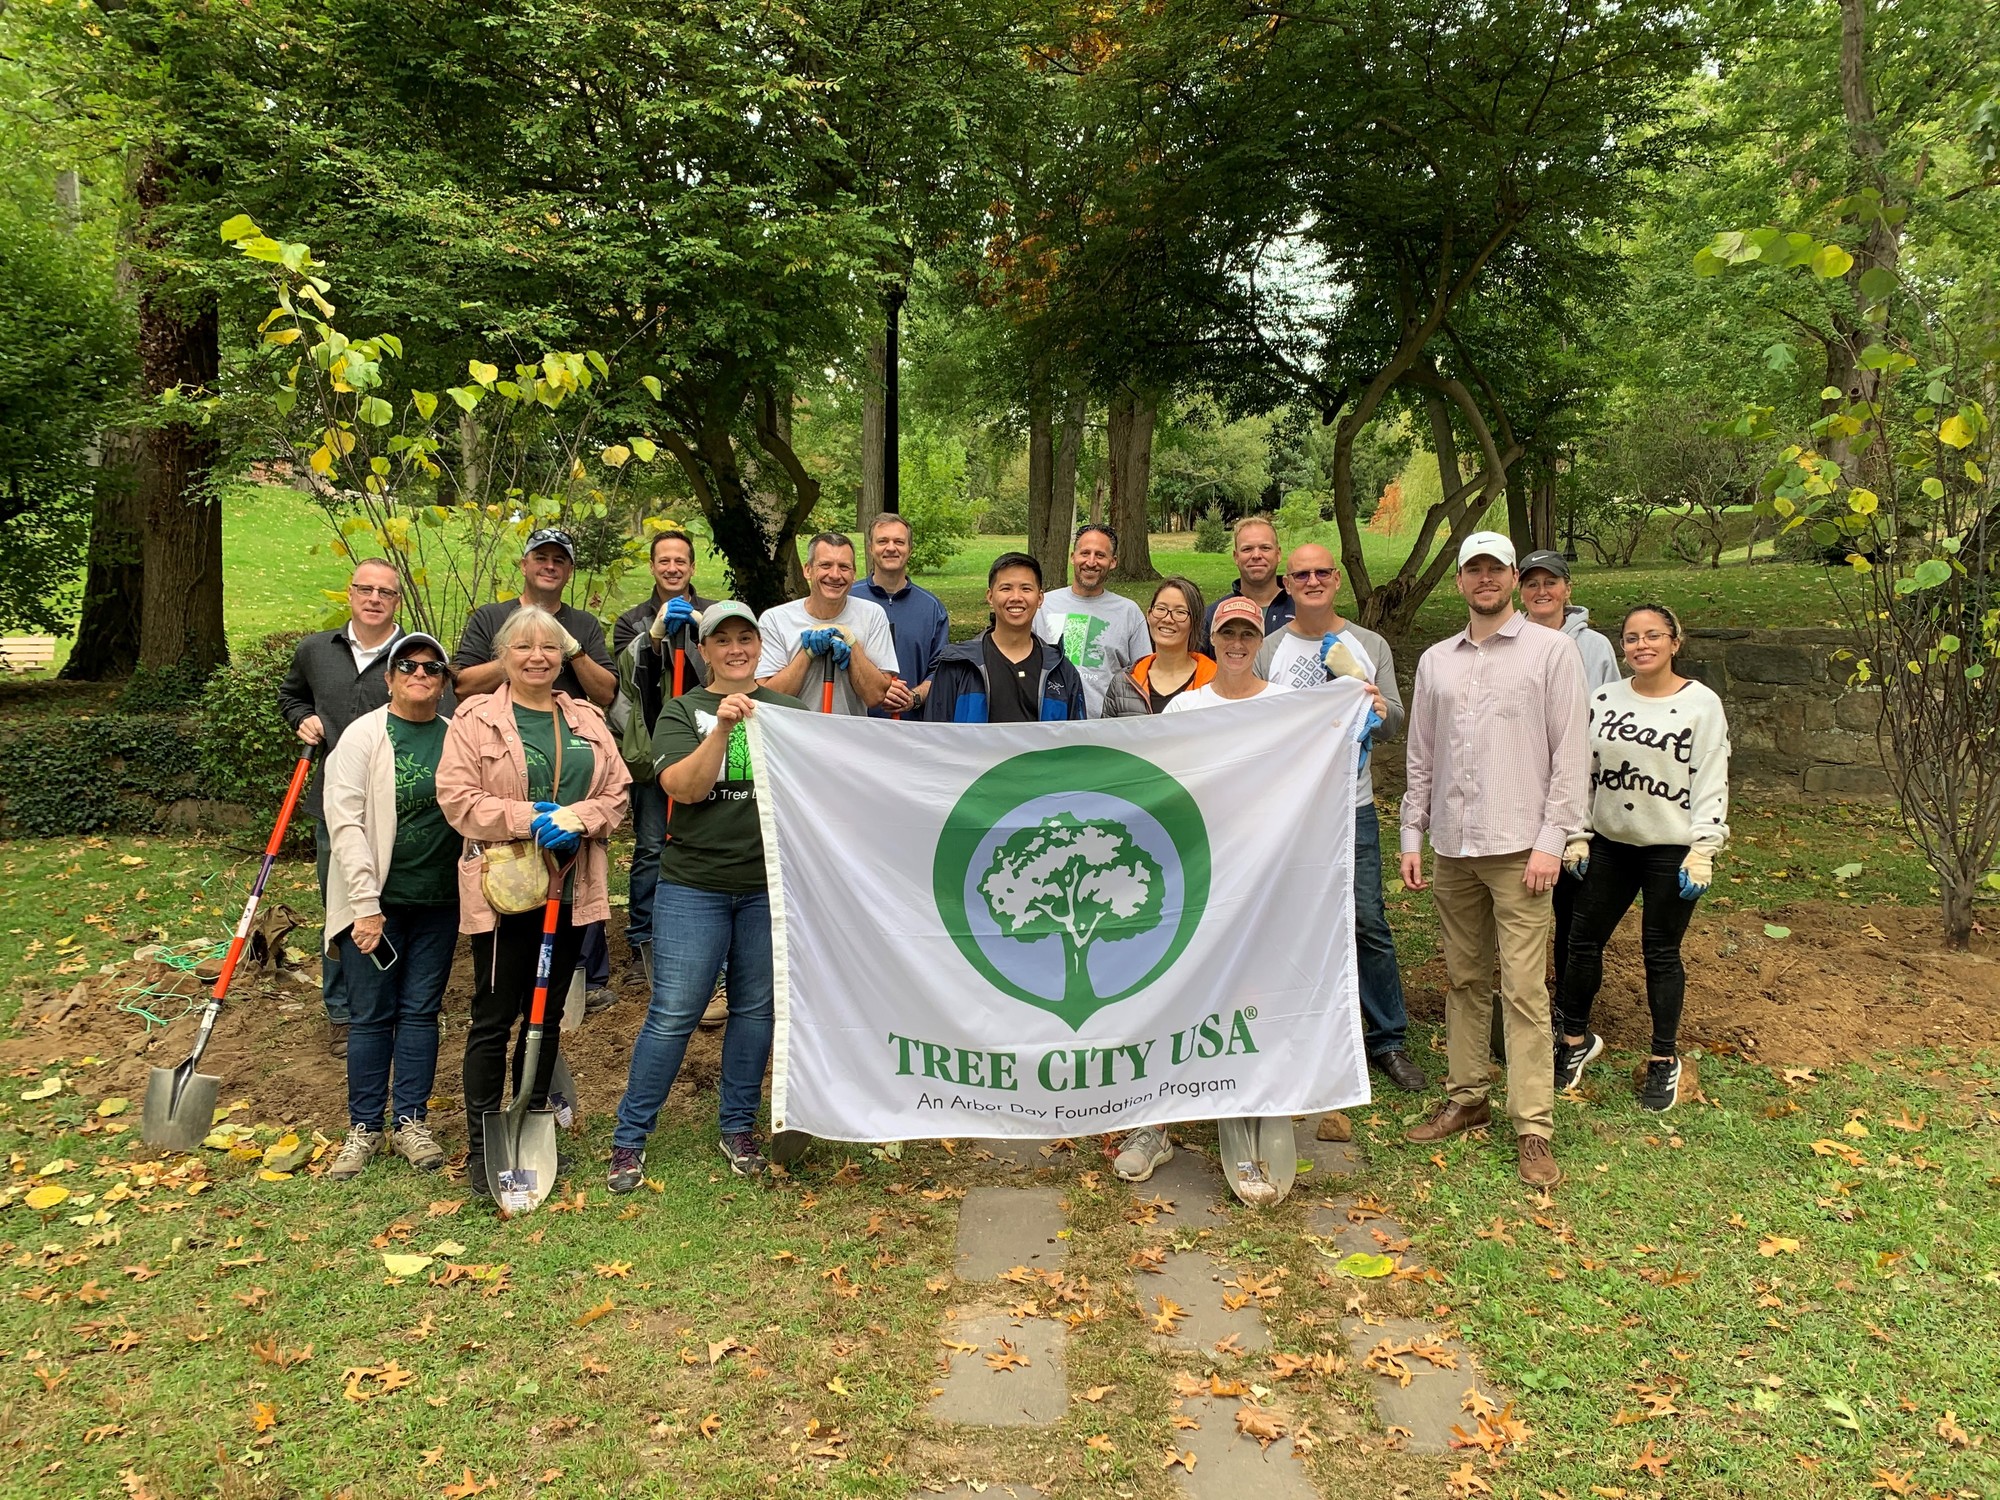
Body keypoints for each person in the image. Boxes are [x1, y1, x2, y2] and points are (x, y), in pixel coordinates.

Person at [1399, 531, 1586, 1190]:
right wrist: (1413, 835)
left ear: (1512, 577)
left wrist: (1552, 839)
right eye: (1473, 569)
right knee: (1464, 978)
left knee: (1526, 990)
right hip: (1454, 845)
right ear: (1460, 580)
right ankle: (1467, 1094)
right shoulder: (1435, 663)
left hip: (1519, 849)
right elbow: (1421, 756)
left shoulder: (1552, 652)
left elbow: (1570, 753)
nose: (1485, 579)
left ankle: (1532, 1124)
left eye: (1495, 569)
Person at [437, 607, 631, 1199]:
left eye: (549, 648)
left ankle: (530, 1125)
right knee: (495, 1017)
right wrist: (526, 818)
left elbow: (617, 791)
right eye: (523, 647)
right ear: (505, 656)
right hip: (506, 892)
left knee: (544, 1016)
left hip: (569, 888)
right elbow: (457, 797)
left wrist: (578, 818)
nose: (537, 657)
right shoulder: (476, 718)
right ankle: (481, 1146)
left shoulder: (586, 718)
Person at [610, 602, 805, 1188]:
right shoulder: (682, 710)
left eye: (747, 638)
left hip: (766, 888)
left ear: (759, 646)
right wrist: (721, 727)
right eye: (723, 640)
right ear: (705, 650)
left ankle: (738, 1128)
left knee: (755, 1012)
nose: (736, 648)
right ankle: (630, 1139)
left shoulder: (791, 713)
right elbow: (684, 789)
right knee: (674, 1013)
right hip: (693, 886)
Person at [1254, 544, 1426, 1094]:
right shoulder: (1268, 649)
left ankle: (1388, 1039)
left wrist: (1378, 709)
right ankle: (1296, 1027)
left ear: (1336, 580)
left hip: (1351, 804)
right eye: (1301, 574)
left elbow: (1397, 721)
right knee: (1288, 919)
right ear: (1287, 582)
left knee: (1367, 920)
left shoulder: (1368, 644)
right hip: (1288, 809)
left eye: (1321, 572)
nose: (1312, 580)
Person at [1554, 604, 1730, 1112]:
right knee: (1581, 944)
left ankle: (1662, 1059)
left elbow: (1711, 775)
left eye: (1653, 635)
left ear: (1676, 641)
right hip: (1610, 844)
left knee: (1660, 952)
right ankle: (1574, 1041)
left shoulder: (1702, 704)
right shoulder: (1603, 699)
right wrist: (1577, 833)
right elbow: (1581, 772)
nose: (1641, 645)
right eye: (1631, 638)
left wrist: (1703, 849)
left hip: (1670, 849)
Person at [452, 528, 621, 1013]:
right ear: (524, 564)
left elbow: (605, 692)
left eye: (560, 560)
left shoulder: (583, 625)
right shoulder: (489, 617)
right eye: (540, 557)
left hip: (572, 761)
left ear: (568, 570)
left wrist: (570, 648)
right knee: (500, 993)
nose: (550, 566)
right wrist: (519, 656)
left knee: (555, 977)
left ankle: (580, 984)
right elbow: (463, 683)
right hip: (503, 764)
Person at [321, 633, 459, 1181]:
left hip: (439, 902)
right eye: (408, 666)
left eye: (431, 668)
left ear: (445, 682)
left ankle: (410, 1121)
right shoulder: (363, 737)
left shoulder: (454, 737)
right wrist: (365, 905)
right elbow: (346, 824)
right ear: (389, 677)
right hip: (374, 902)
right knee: (372, 1015)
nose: (419, 675)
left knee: (422, 1012)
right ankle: (364, 1126)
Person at [279, 558, 426, 1058]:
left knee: (398, 904)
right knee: (342, 904)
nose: (374, 599)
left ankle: (403, 998)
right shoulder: (316, 650)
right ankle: (344, 1009)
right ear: (350, 593)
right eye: (366, 589)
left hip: (401, 803)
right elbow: (291, 696)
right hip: (337, 804)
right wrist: (301, 718)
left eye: (386, 592)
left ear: (397, 602)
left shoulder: (414, 656)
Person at [1515, 548, 1621, 1037]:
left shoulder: (1594, 646)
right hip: (1521, 793)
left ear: (1567, 588)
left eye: (1550, 582)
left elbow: (1610, 715)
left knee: (1572, 909)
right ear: (1521, 589)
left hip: (1578, 798)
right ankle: (1526, 1003)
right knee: (1525, 904)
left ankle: (1567, 1011)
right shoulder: (1509, 640)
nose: (1542, 591)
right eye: (1532, 583)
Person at [611, 530, 715, 989]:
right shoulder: (631, 620)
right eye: (663, 560)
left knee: (705, 839)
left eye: (681, 560)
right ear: (653, 567)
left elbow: (722, 667)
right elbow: (627, 681)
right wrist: (653, 639)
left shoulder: (712, 613)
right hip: (655, 746)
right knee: (653, 844)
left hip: (708, 742)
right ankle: (643, 940)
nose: (672, 568)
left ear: (692, 567)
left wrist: (696, 631)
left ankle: (705, 935)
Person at [923, 552, 1090, 723]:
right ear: (990, 596)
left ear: (1040, 598)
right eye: (1006, 588)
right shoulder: (957, 665)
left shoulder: (1061, 670)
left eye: (1026, 589)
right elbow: (936, 737)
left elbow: (1075, 741)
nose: (1016, 598)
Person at [756, 532, 899, 715]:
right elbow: (768, 698)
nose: (835, 575)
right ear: (807, 570)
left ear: (854, 574)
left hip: (847, 737)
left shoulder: (872, 615)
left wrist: (851, 642)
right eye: (825, 565)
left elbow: (875, 696)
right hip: (791, 739)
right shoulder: (775, 620)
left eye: (844, 567)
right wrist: (806, 654)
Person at [1036, 524, 1150, 716]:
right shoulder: (1043, 606)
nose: (1091, 562)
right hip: (1049, 724)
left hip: (1104, 728)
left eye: (1100, 555)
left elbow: (1144, 676)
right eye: (1085, 553)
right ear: (1073, 557)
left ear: (1113, 562)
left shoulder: (1128, 612)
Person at [850, 513, 948, 718]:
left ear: (910, 549)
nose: (891, 548)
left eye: (899, 542)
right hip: (857, 729)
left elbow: (940, 671)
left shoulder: (932, 608)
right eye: (883, 541)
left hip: (913, 730)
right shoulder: (848, 600)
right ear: (870, 548)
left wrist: (914, 697)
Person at [1101, 577, 1214, 718]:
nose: (1167, 619)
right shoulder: (1123, 684)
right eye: (1161, 609)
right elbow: (1107, 738)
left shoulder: (1215, 682)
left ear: (1195, 622)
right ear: (1149, 615)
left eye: (1180, 612)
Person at [1201, 515, 1294, 643]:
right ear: (1236, 557)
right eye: (1247, 549)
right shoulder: (1212, 616)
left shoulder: (1301, 609)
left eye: (1265, 548)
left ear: (1278, 554)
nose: (1256, 555)